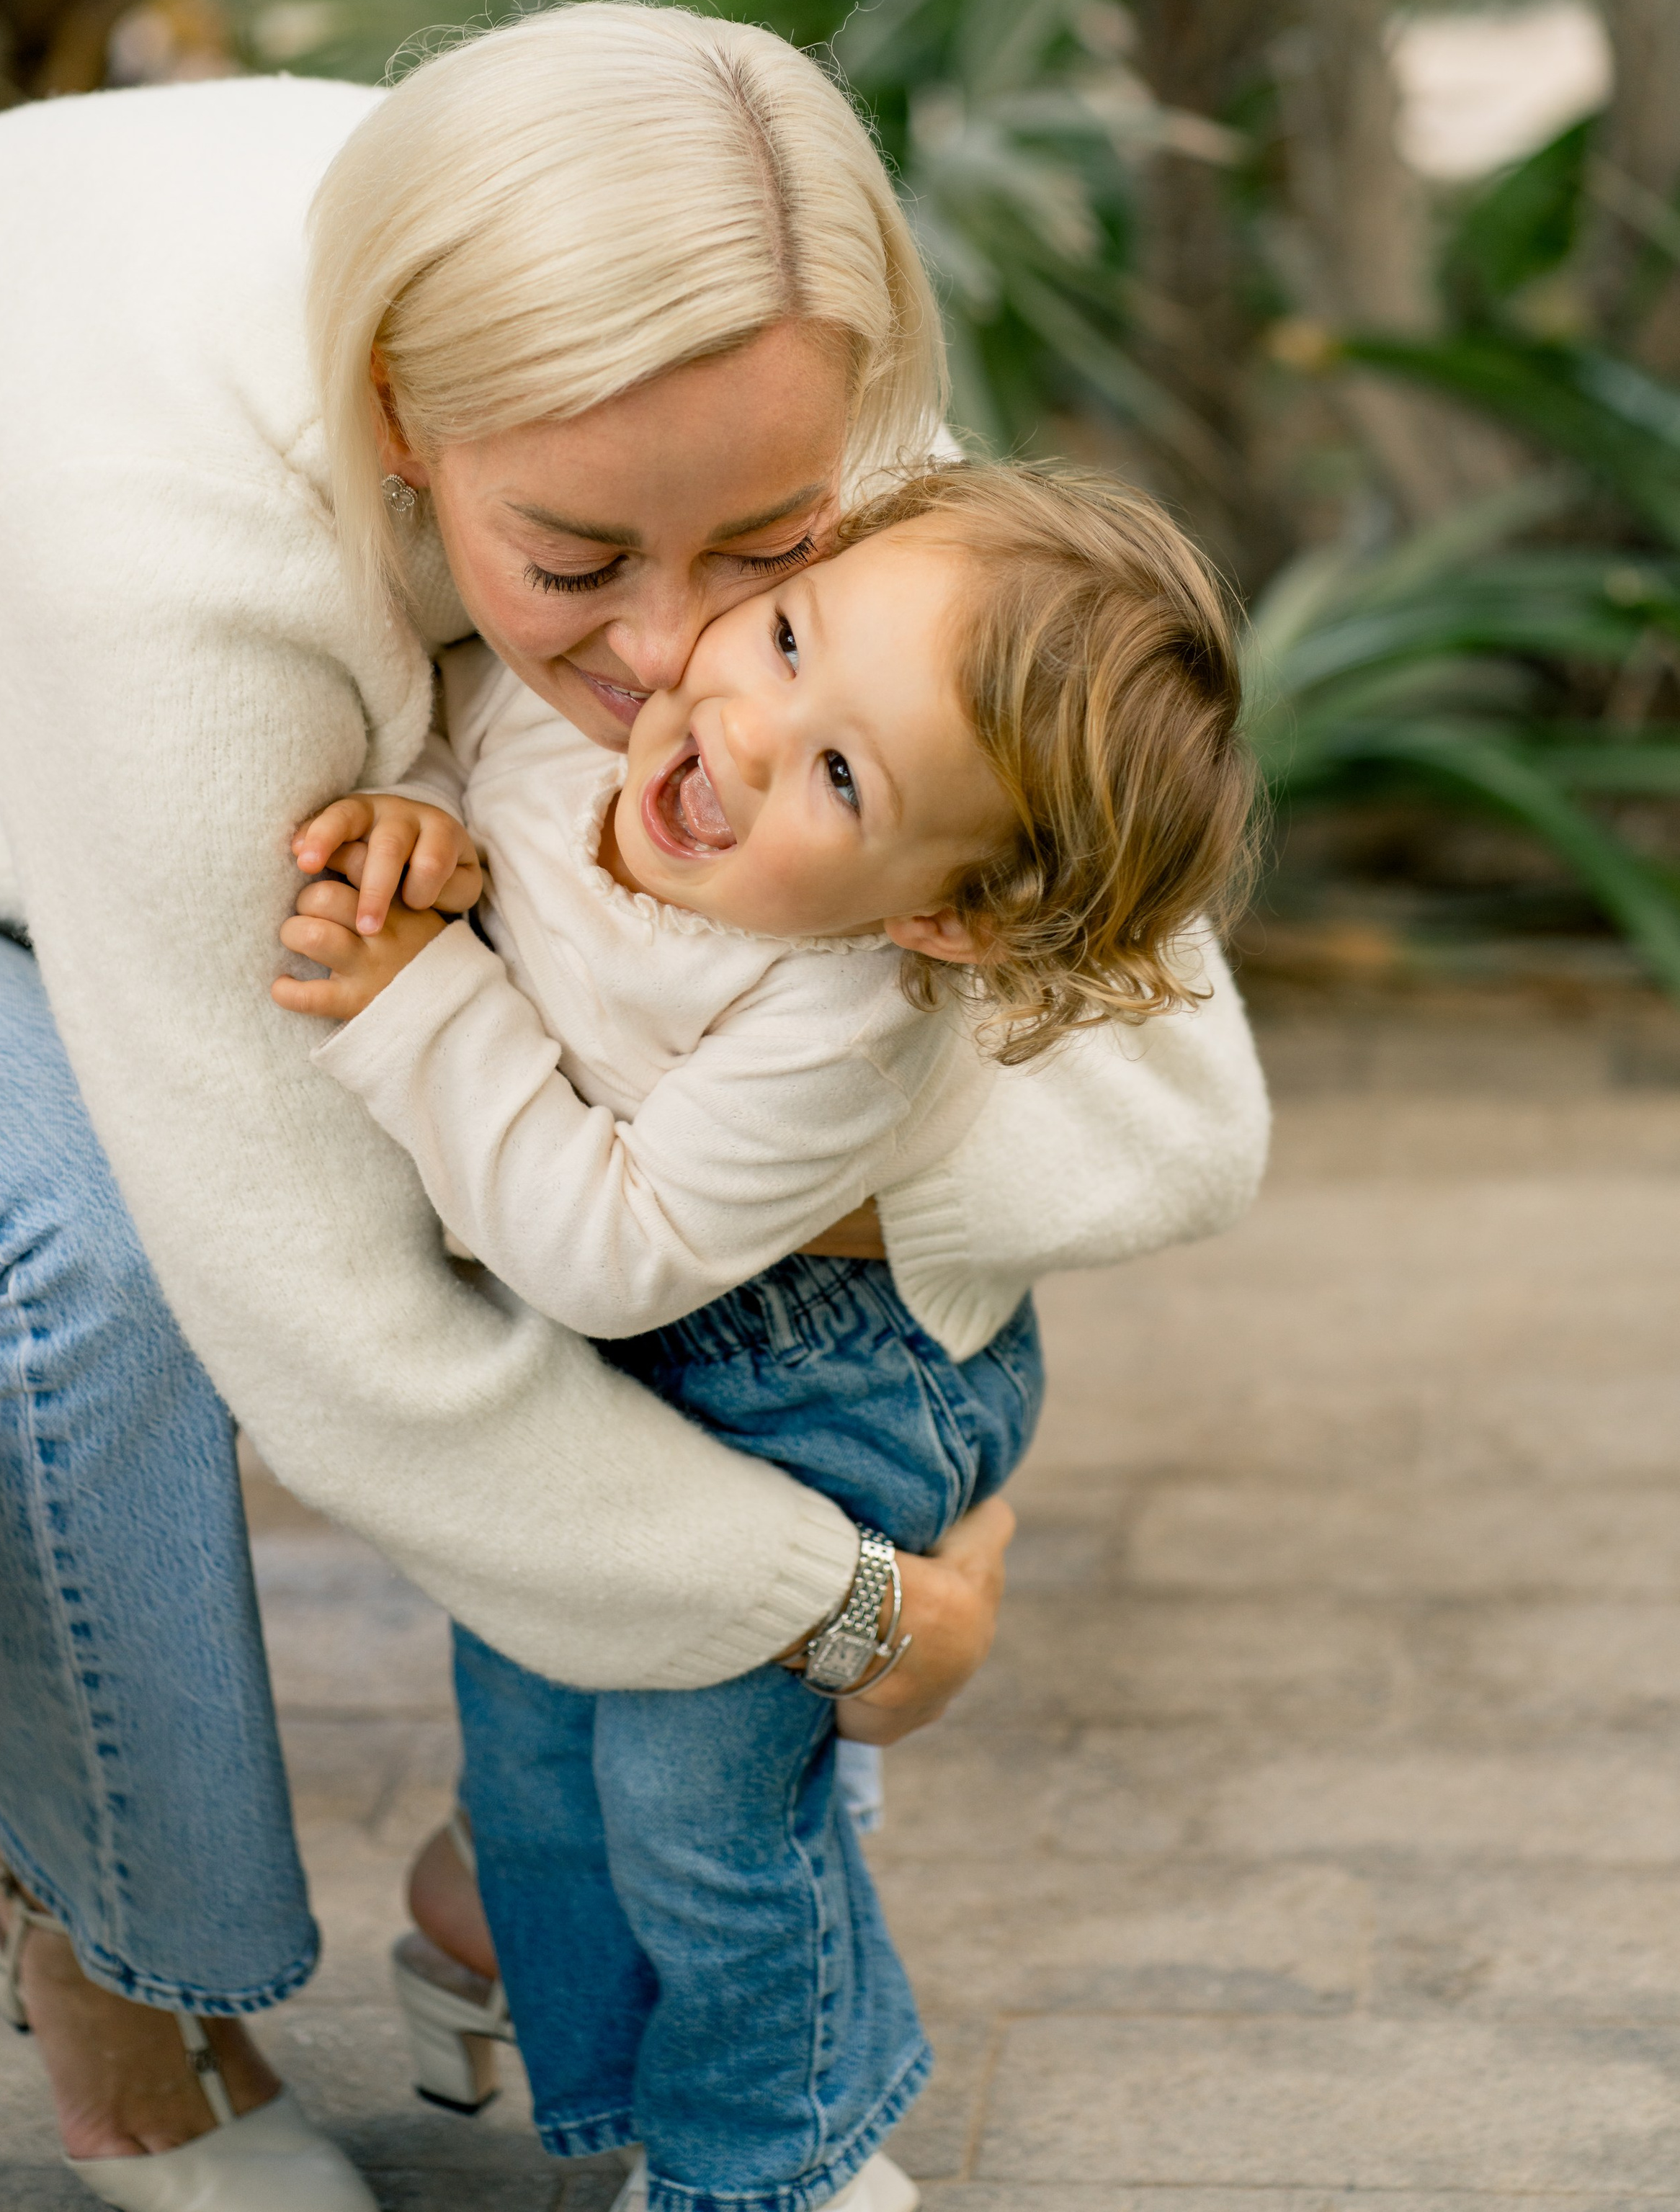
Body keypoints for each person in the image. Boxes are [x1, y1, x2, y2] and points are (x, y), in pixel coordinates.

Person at [0, 2, 1270, 2210]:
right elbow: (339, 1333)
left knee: (664, 1099)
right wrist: (860, 1597)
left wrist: (792, 1192)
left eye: (775, 556)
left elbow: (1173, 1096)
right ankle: (129, 1972)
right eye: (578, 569)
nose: (680, 662)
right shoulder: (162, 557)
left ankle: (557, 1886)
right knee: (89, 1220)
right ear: (405, 421)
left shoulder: (751, 342)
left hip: (118, 751)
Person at [271, 455, 1257, 2212]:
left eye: (835, 773)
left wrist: (422, 1003)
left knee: (696, 1812)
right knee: (534, 1718)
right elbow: (453, 722)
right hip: (645, 1341)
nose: (734, 729)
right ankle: (549, 1988)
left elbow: (602, 1249)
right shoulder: (606, 708)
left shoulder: (845, 1011)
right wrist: (417, 811)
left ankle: (772, 2161)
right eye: (788, 635)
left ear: (934, 912)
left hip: (829, 1382)